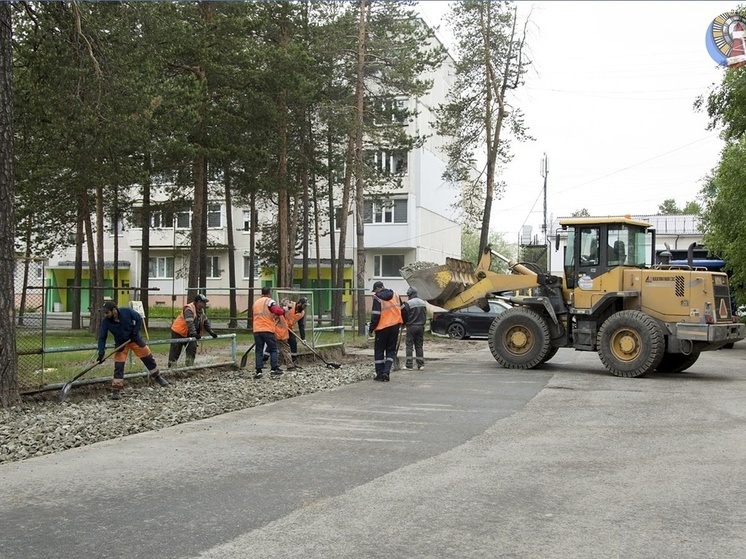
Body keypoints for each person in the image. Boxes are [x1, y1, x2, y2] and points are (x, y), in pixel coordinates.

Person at [97, 300, 168, 399]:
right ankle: (116, 391)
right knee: (118, 365)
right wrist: (101, 353)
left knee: (148, 357)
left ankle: (158, 377)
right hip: (121, 343)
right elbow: (102, 337)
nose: (106, 315)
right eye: (104, 313)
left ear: (114, 310)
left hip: (134, 339)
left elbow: (138, 318)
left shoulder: (127, 311)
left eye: (107, 312)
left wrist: (135, 332)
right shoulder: (106, 322)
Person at [168, 293, 218, 368]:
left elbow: (205, 322)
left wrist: (211, 332)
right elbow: (190, 323)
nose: (205, 304)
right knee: (175, 350)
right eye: (203, 302)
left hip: (189, 333)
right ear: (198, 302)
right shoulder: (189, 309)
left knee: (192, 348)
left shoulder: (201, 311)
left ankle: (189, 367)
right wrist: (194, 333)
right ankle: (171, 368)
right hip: (178, 332)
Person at [369, 280, 403, 382]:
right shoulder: (396, 295)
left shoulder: (377, 298)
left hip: (382, 328)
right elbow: (403, 309)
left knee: (379, 351)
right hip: (395, 327)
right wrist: (404, 322)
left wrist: (371, 328)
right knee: (391, 350)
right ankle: (386, 372)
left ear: (377, 289)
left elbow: (375, 315)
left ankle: (380, 374)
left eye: (375, 290)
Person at [252, 286, 286, 379]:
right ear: (269, 293)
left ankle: (259, 371)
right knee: (273, 349)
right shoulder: (269, 301)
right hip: (267, 329)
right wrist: (284, 310)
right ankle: (274, 369)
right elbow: (276, 311)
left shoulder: (256, 303)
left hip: (257, 329)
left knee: (259, 350)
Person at [402, 286, 427, 370]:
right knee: (419, 345)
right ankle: (421, 365)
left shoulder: (408, 303)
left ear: (409, 294)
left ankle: (409, 365)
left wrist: (403, 323)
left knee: (409, 346)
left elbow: (405, 315)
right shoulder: (422, 302)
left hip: (411, 326)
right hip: (421, 326)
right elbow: (424, 314)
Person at [285, 297, 308, 367]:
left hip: (289, 329)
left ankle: (293, 360)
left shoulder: (301, 313)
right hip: (281, 327)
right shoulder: (290, 305)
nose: (305, 307)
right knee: (276, 342)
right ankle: (265, 358)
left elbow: (301, 326)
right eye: (304, 305)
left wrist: (303, 338)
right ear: (300, 304)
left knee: (293, 342)